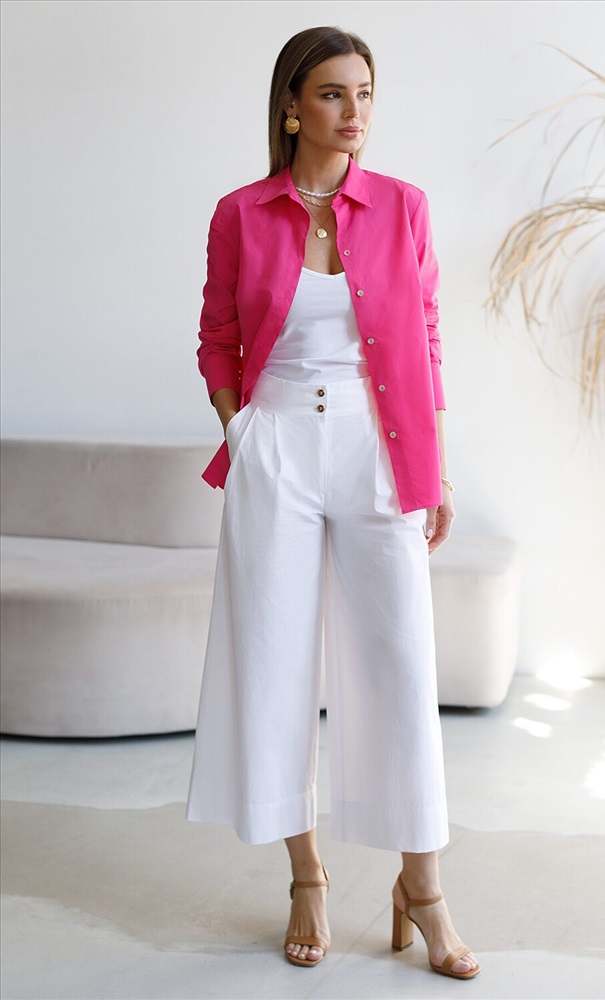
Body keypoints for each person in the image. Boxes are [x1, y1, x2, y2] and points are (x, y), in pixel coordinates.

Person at [186, 25, 479, 981]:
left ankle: (421, 887)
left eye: (364, 93)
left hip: (375, 445)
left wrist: (433, 470)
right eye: (331, 94)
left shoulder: (402, 206)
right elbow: (217, 335)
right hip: (276, 441)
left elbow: (425, 339)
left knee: (399, 662)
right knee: (274, 661)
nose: (354, 113)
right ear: (290, 107)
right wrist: (241, 431)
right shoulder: (240, 212)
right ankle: (306, 877)